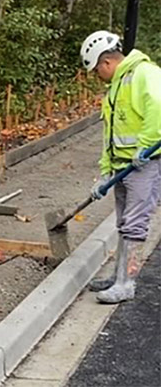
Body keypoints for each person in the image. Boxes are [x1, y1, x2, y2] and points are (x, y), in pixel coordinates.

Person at [81, 31, 161, 304]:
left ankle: (126, 283)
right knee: (123, 223)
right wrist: (105, 171)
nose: (96, 77)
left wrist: (146, 146)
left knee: (135, 225)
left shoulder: (144, 74)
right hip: (122, 166)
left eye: (95, 71)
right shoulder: (116, 85)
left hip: (144, 165)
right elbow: (110, 132)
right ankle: (118, 276)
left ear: (105, 62)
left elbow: (158, 108)